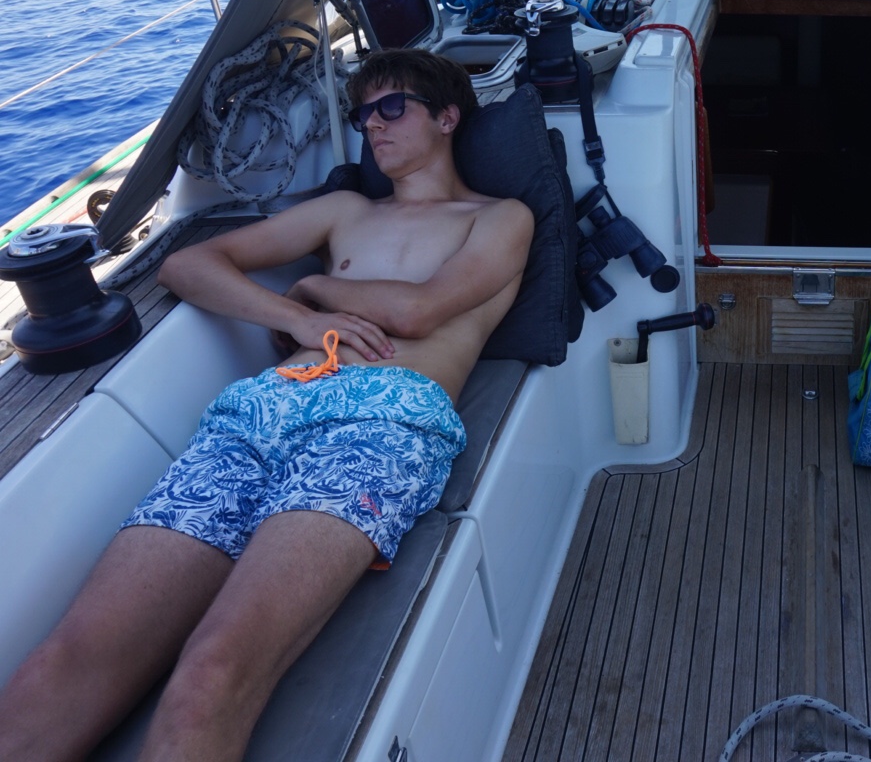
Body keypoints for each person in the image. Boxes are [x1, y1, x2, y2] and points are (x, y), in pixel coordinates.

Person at [0, 49, 533, 762]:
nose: (373, 125)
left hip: (383, 418)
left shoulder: (499, 218)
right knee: (63, 663)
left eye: (391, 107)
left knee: (210, 675)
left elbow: (419, 310)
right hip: (260, 413)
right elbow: (187, 265)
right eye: (363, 115)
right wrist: (301, 320)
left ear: (446, 117)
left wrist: (314, 290)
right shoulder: (346, 210)